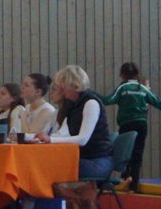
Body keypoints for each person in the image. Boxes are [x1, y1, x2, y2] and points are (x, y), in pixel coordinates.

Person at [35, 65, 113, 180]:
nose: (61, 90)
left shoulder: (91, 103)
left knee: (51, 167)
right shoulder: (73, 106)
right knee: (45, 163)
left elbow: (82, 139)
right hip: (84, 158)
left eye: (63, 87)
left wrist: (50, 140)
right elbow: (65, 135)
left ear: (75, 86)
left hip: (98, 161)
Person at [101, 62, 161, 190]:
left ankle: (126, 177)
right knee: (137, 153)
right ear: (137, 74)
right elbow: (157, 101)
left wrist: (92, 95)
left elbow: (108, 100)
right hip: (141, 124)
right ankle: (134, 183)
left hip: (127, 124)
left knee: (126, 152)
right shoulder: (142, 88)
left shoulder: (123, 88)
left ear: (122, 75)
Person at [18, 72, 57, 137]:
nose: (22, 87)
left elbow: (29, 136)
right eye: (22, 84)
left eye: (26, 85)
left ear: (38, 92)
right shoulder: (28, 107)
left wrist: (23, 117)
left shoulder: (47, 111)